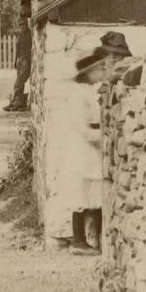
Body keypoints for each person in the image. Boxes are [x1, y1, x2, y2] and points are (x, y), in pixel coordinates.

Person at [50, 30, 130, 252]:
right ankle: (78, 241)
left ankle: (97, 241)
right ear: (89, 72)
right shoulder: (78, 94)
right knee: (81, 195)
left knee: (94, 196)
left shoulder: (91, 90)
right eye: (99, 69)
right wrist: (103, 139)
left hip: (90, 152)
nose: (102, 72)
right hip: (81, 149)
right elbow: (82, 127)